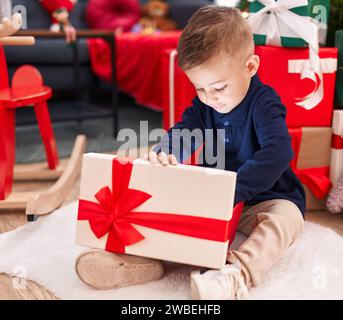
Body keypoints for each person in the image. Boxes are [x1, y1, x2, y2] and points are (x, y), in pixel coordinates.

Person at [147, 5, 305, 300]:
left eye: (218, 87)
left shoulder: (264, 103)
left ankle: (235, 275)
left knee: (288, 218)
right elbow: (184, 131)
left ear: (250, 67)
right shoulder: (204, 105)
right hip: (216, 198)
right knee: (169, 201)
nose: (209, 98)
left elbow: (279, 151)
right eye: (199, 88)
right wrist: (165, 152)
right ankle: (143, 257)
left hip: (264, 200)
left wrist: (236, 188)